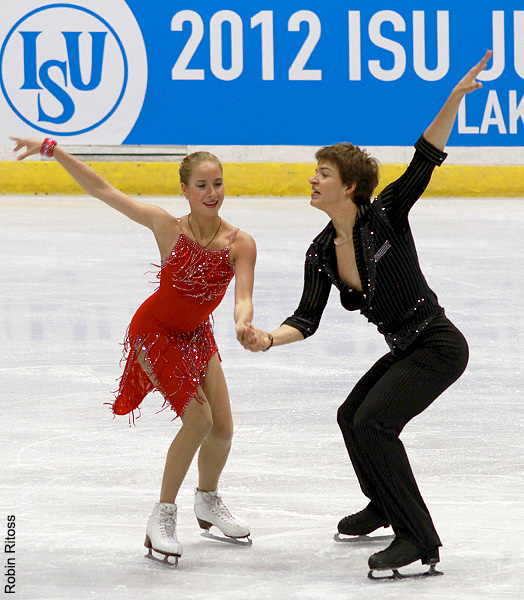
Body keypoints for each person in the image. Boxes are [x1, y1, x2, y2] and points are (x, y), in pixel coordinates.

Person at [240, 50, 492, 575]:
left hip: (438, 345)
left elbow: (426, 155)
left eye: (323, 173)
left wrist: (452, 98)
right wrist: (267, 339)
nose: (312, 180)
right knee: (351, 416)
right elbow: (306, 319)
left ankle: (417, 537)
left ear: (349, 186)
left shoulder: (387, 215)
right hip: (406, 347)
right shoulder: (321, 251)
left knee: (375, 422)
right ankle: (383, 502)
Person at [11, 137, 257, 565]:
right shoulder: (167, 227)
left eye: (217, 183)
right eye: (201, 185)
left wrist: (242, 320)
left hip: (198, 335)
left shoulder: (239, 243)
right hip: (156, 331)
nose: (212, 193)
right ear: (184, 190)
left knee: (224, 428)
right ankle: (161, 515)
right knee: (199, 419)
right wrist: (54, 150)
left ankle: (207, 500)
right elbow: (104, 190)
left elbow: (242, 297)